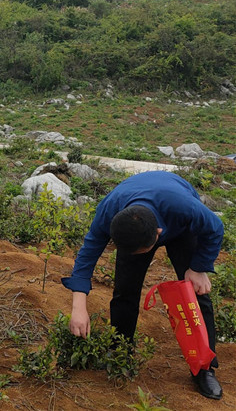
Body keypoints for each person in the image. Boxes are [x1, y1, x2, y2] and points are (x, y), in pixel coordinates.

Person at [62, 171, 223, 400]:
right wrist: (78, 307)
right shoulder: (109, 212)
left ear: (158, 235)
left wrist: (199, 269)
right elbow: (87, 254)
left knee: (196, 295)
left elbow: (215, 227)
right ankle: (120, 352)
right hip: (135, 222)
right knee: (124, 291)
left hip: (180, 225)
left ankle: (204, 368)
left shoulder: (185, 208)